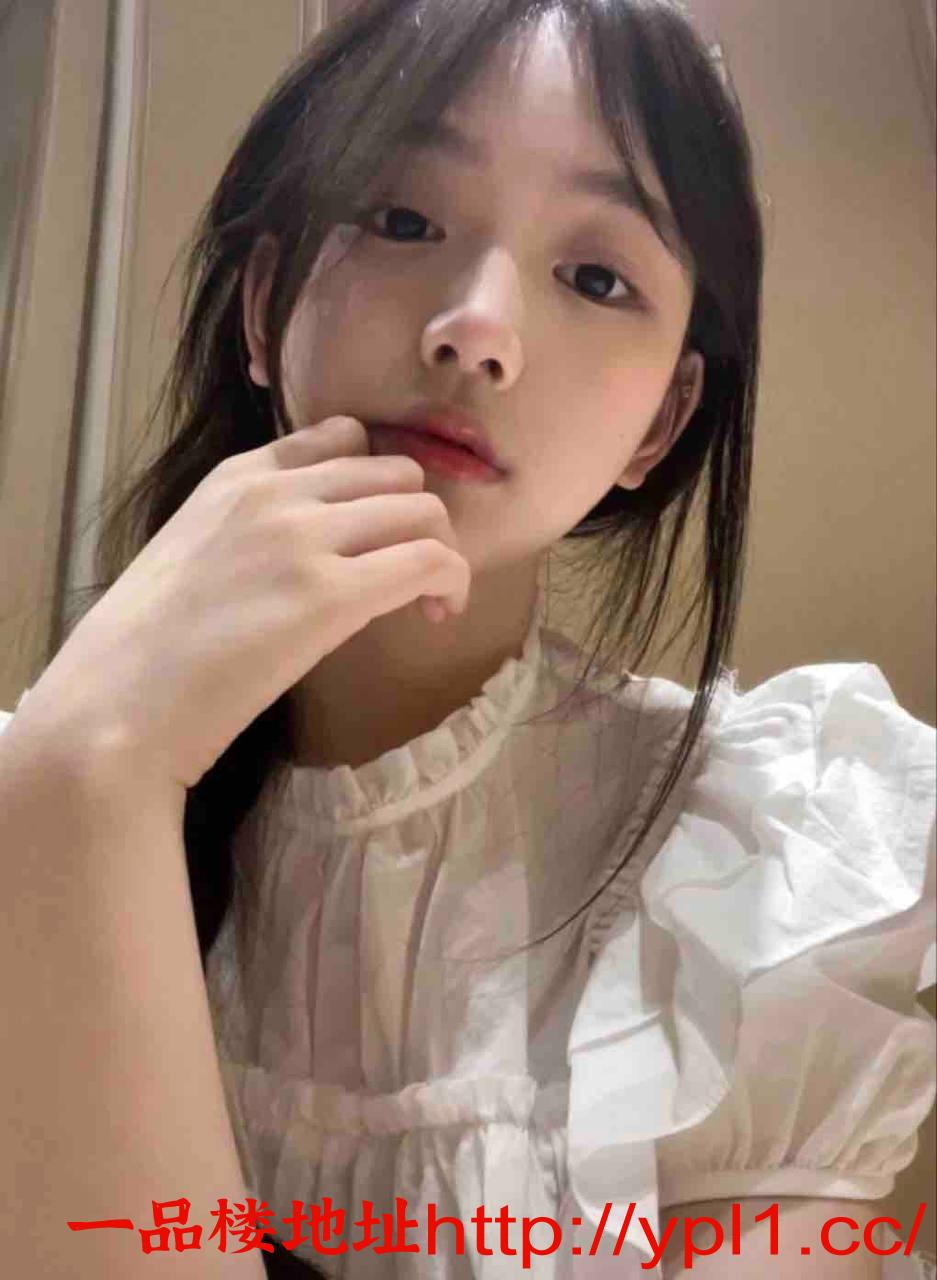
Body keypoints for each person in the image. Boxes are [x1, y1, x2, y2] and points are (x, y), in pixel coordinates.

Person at [1, 0, 934, 1276]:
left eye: (595, 277)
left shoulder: (753, 883)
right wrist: (82, 780)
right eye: (402, 219)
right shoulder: (46, 787)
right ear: (264, 305)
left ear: (660, 424)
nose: (477, 329)